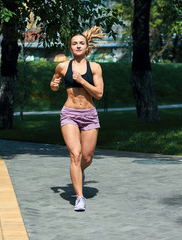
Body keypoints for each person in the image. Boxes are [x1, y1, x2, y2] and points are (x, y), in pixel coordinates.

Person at [50, 26, 105, 211]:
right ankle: (79, 197)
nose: (78, 45)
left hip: (89, 115)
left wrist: (81, 80)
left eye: (81, 43)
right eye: (75, 43)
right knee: (76, 155)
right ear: (70, 47)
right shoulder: (63, 66)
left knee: (87, 158)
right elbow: (54, 84)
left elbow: (99, 94)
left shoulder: (95, 67)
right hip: (70, 114)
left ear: (87, 47)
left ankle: (77, 173)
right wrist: (54, 84)